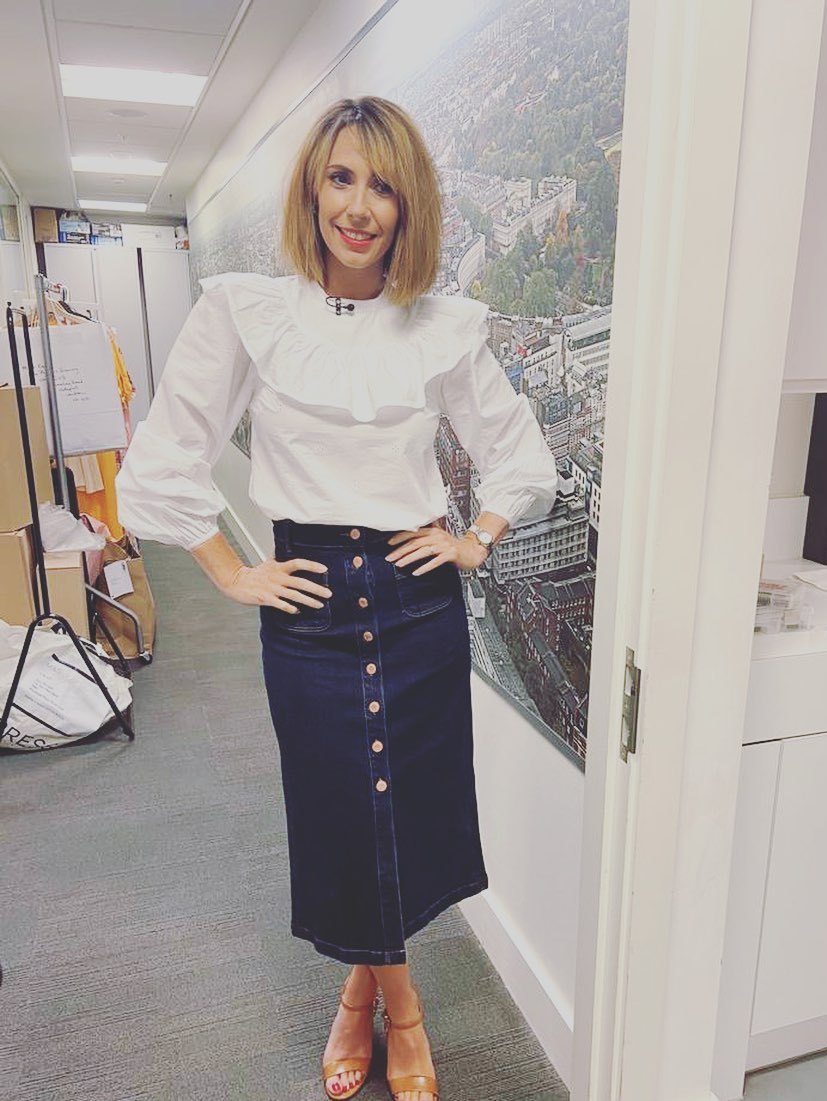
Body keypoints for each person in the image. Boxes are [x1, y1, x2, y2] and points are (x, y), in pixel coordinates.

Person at [115, 95, 558, 1101]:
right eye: (341, 178)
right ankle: (404, 1008)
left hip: (416, 603)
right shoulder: (247, 312)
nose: (359, 207)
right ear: (313, 191)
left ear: (409, 207)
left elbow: (518, 455)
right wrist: (229, 570)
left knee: (408, 812)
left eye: (384, 187)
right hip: (308, 604)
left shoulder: (442, 328)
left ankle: (362, 996)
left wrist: (475, 539)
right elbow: (161, 460)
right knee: (343, 813)